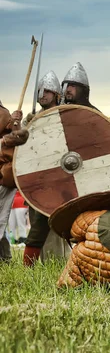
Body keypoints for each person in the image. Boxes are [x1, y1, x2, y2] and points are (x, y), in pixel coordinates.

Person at [23, 67, 92, 267]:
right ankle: (31, 266)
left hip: (75, 178)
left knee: (76, 225)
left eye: (73, 86)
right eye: (66, 85)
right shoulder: (38, 117)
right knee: (39, 224)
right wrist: (23, 126)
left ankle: (81, 263)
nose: (42, 94)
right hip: (45, 179)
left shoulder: (82, 113)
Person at [0, 104, 28, 262]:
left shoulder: (3, 114)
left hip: (4, 174)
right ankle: (5, 258)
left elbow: (20, 137)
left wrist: (16, 123)